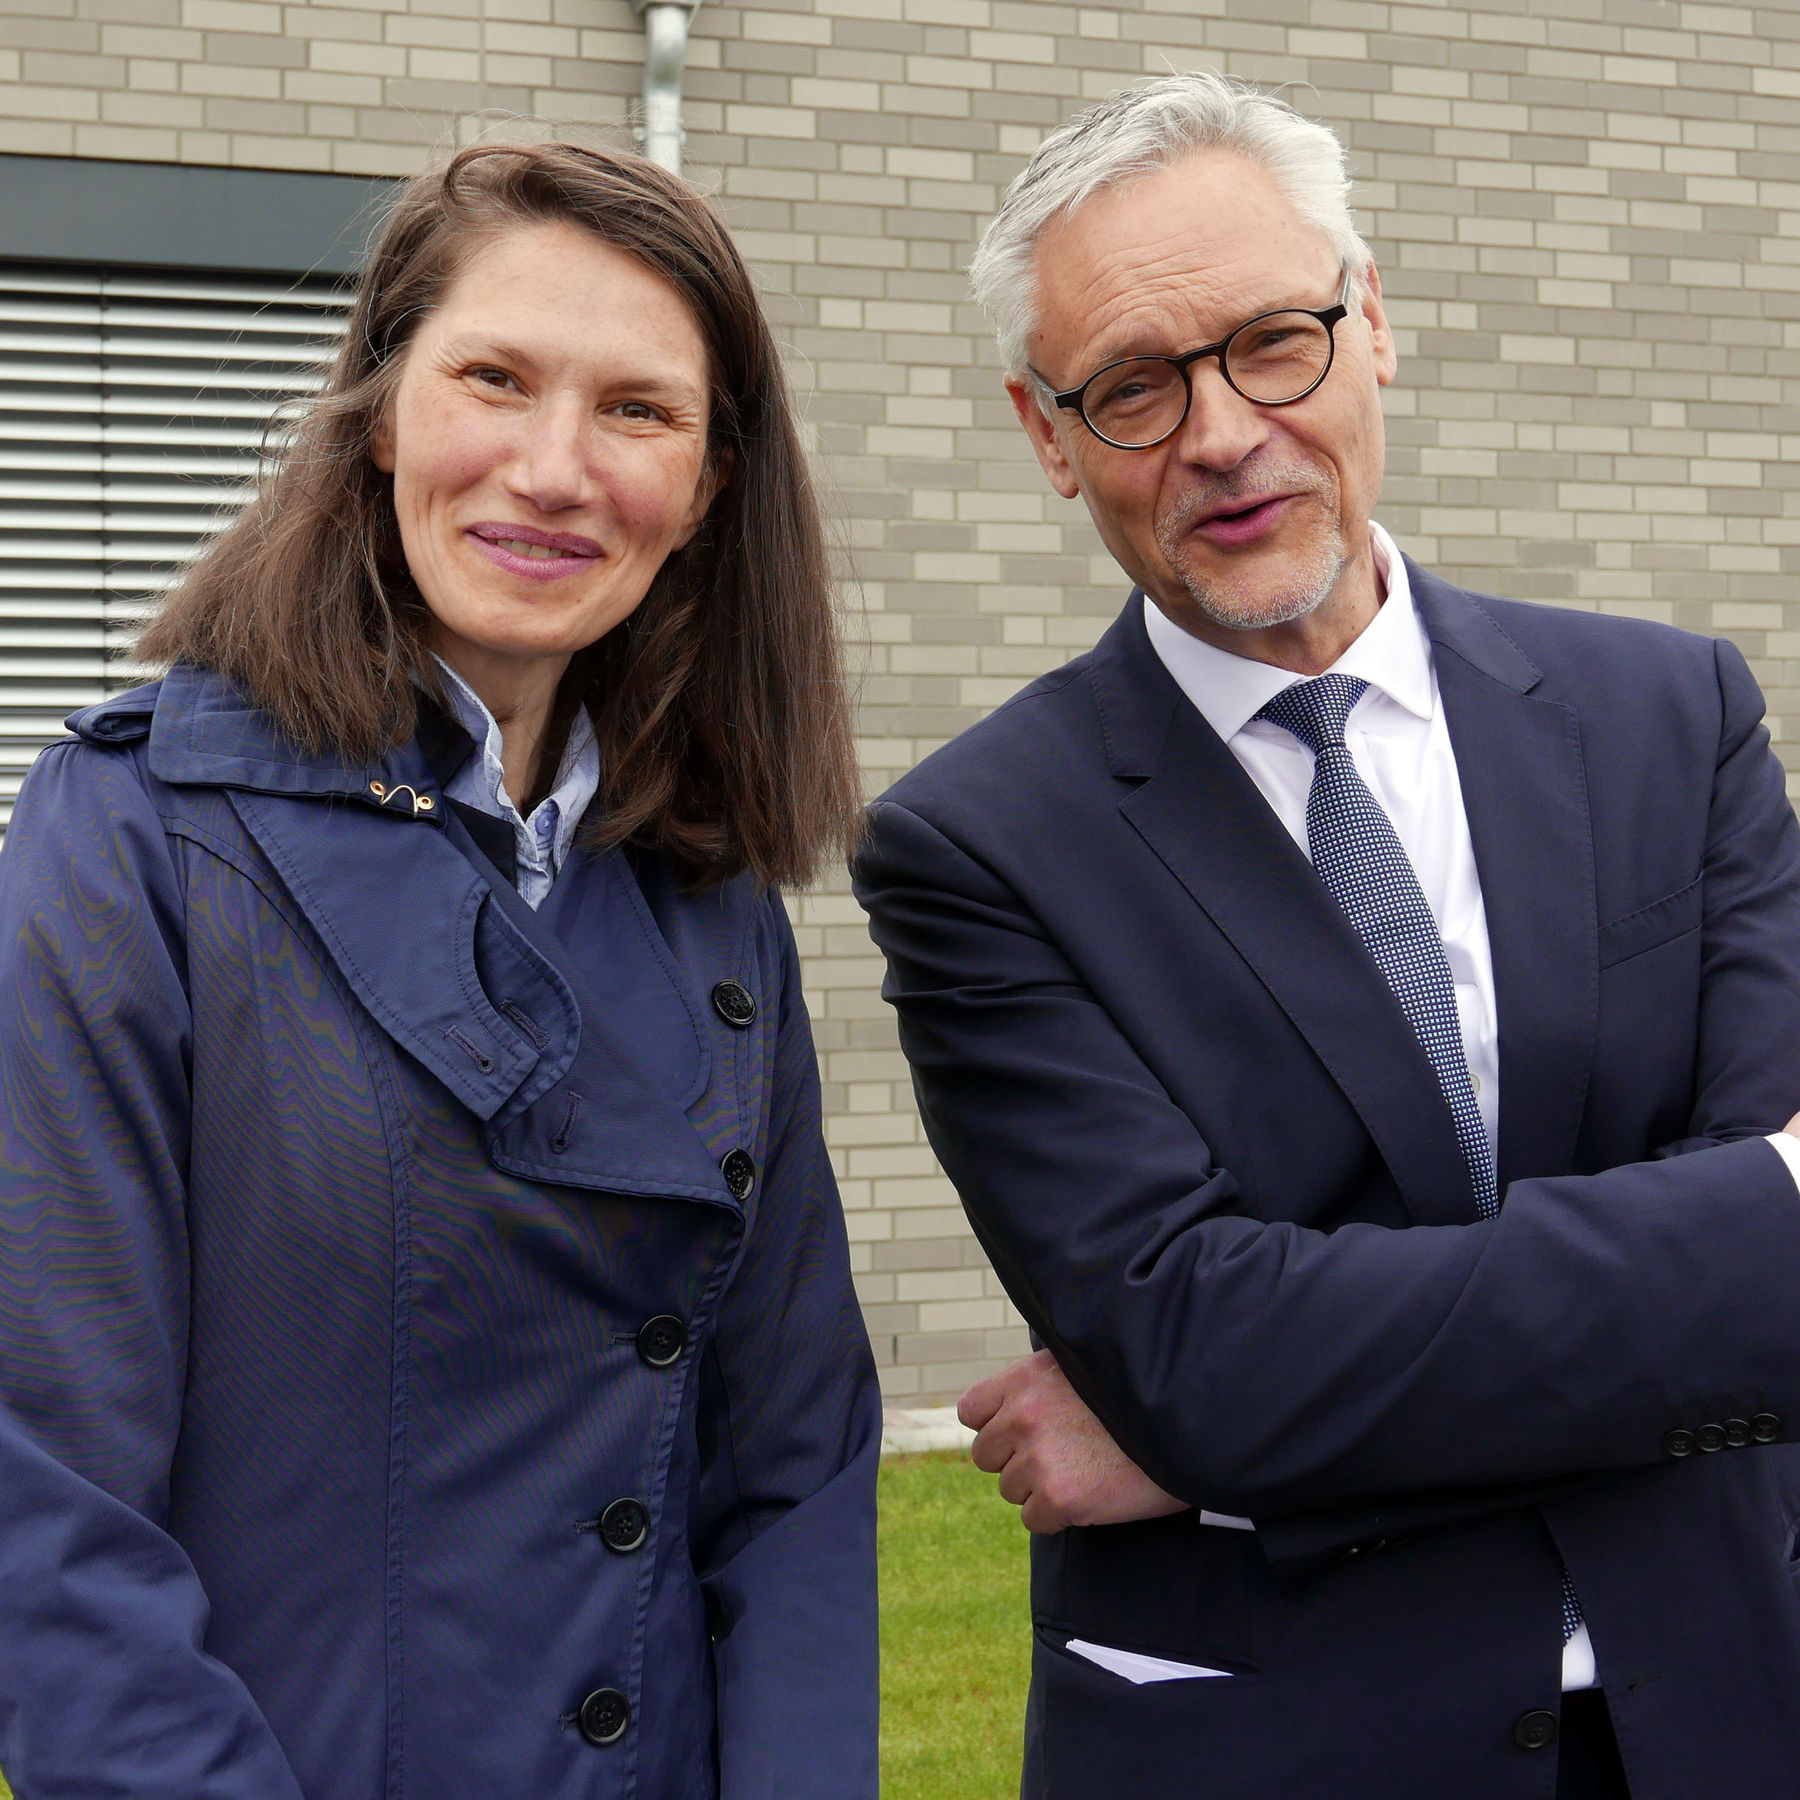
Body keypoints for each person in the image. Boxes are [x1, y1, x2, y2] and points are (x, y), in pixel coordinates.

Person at [854, 71, 1800, 1800]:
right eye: (1132, 387)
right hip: (1288, 1742)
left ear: (1374, 326)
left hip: (1724, 1711)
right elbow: (1209, 1351)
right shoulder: (975, 846)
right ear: (1046, 436)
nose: (1219, 434)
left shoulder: (1676, 717)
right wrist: (1204, 1411)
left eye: (1272, 340)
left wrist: (1221, 1443)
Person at [0, 140, 878, 1800]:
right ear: (386, 410)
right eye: (495, 377)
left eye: (637, 409)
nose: (553, 468)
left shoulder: (713, 901)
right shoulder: (133, 840)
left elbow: (801, 1471)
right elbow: (43, 1493)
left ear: (703, 491)